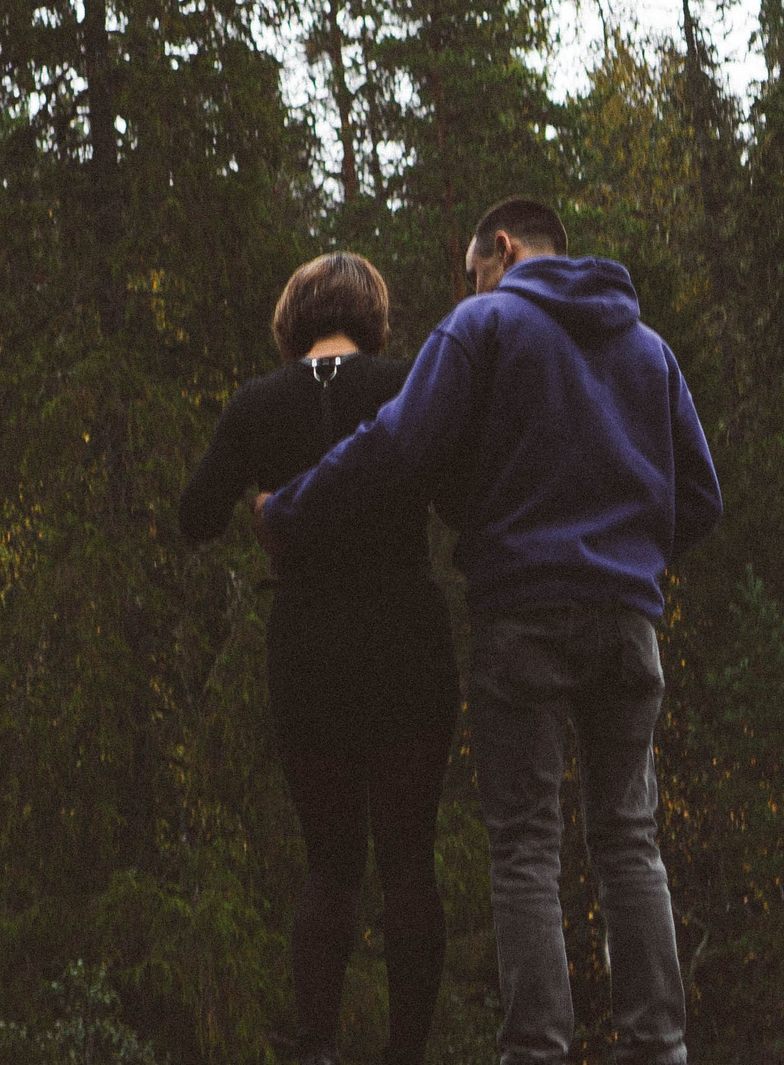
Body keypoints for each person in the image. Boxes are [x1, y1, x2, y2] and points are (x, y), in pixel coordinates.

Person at [258, 199, 721, 1065]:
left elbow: (397, 445)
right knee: (628, 834)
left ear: (501, 250)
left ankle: (536, 1050)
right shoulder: (647, 348)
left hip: (524, 617)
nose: (471, 285)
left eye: (474, 270)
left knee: (525, 843)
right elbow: (701, 496)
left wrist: (290, 505)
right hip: (627, 622)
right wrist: (628, 557)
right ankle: (658, 1046)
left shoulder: (488, 323)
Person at [179, 252, 459, 1065]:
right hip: (408, 639)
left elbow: (196, 515)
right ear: (370, 315)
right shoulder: (408, 385)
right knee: (410, 860)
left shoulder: (256, 405)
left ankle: (317, 1051)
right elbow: (459, 498)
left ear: (292, 317)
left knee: (330, 866)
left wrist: (264, 499)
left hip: (308, 650)